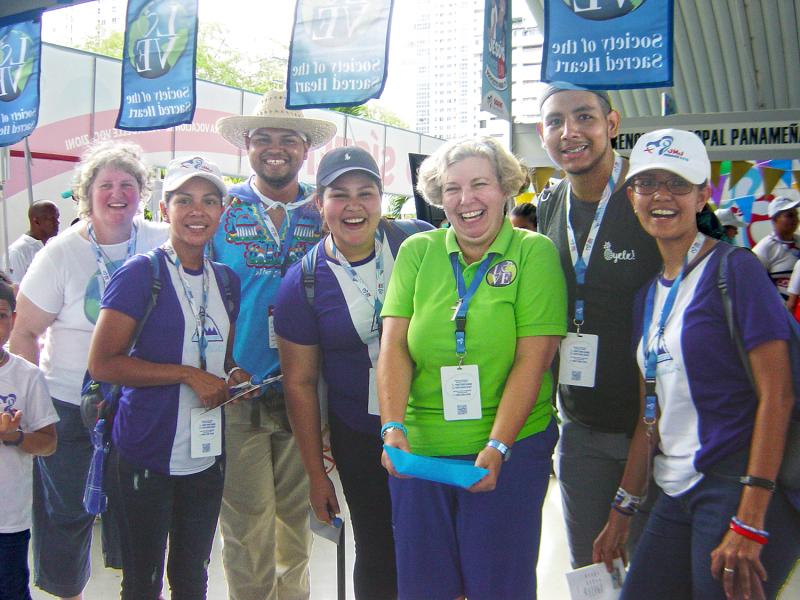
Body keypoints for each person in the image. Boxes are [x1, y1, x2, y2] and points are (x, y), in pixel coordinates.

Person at [593, 128, 800, 600]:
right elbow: (652, 413)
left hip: (732, 484)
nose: (662, 196)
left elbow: (779, 394)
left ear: (703, 196)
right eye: (649, 184)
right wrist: (623, 508)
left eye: (679, 184)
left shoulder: (736, 271)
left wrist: (750, 514)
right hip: (673, 489)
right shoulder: (647, 295)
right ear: (632, 197)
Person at [378, 137, 567, 599]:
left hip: (511, 448)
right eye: (451, 188)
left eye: (479, 184)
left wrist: (499, 444)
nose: (466, 200)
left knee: (498, 585)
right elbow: (394, 348)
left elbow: (533, 359)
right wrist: (391, 428)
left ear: (505, 188)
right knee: (425, 588)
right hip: (419, 454)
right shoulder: (418, 252)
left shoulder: (532, 252)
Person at [9, 141, 168, 600]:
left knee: (142, 514)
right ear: (86, 195)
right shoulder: (59, 254)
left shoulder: (162, 241)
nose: (116, 194)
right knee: (66, 513)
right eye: (105, 185)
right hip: (68, 406)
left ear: (142, 192)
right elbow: (23, 335)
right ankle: (66, 592)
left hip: (146, 403)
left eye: (127, 184)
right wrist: (27, 400)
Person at [275, 147, 433, 600]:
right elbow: (300, 384)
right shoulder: (302, 283)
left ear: (382, 200)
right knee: (378, 546)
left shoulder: (417, 244)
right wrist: (316, 476)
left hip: (433, 423)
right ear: (319, 204)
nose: (354, 205)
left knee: (433, 539)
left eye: (366, 192)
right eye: (339, 195)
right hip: (360, 435)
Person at [88, 156, 245, 600]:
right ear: (163, 209)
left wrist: (232, 373)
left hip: (205, 455)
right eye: (184, 200)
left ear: (223, 212)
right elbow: (103, 364)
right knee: (142, 581)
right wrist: (187, 375)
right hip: (146, 452)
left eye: (210, 201)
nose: (198, 211)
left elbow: (219, 353)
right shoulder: (142, 274)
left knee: (194, 577)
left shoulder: (226, 281)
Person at [213, 89, 336, 600]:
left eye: (288, 139)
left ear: (305, 149)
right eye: (263, 138)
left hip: (304, 390)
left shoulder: (323, 209)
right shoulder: (219, 207)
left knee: (297, 518)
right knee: (246, 522)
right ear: (248, 145)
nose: (275, 149)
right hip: (238, 391)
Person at [535, 82, 662, 569]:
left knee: (652, 577)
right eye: (555, 121)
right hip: (580, 427)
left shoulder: (650, 195)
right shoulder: (550, 206)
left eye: (584, 117)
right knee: (591, 572)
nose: (570, 132)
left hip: (654, 429)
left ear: (612, 124)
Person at [0, 272, 58, 600]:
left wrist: (16, 437)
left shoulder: (27, 376)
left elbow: (49, 443)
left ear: (14, 320)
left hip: (8, 521)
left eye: (2, 316)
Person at [752, 191, 800, 300]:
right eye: (789, 215)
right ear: (774, 219)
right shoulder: (764, 248)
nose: (796, 219)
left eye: (796, 215)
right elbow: (755, 285)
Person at [7, 201, 60, 285]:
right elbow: (17, 288)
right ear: (36, 221)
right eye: (52, 218)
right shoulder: (17, 251)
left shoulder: (55, 244)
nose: (57, 222)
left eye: (57, 218)